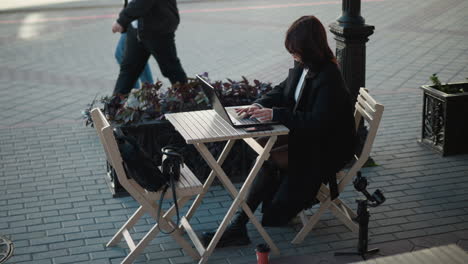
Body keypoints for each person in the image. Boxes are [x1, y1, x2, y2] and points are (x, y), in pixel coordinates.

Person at [202, 15, 358, 247]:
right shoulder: (305, 65)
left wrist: (276, 115)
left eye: (296, 50)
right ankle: (240, 223)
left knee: (268, 158)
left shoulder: (329, 77)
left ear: (309, 48)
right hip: (311, 138)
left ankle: (238, 225)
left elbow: (318, 121)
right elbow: (282, 89)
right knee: (265, 149)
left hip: (328, 148)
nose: (293, 55)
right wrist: (259, 105)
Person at [112, 0, 187, 95]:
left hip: (158, 29)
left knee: (171, 68)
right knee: (128, 71)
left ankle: (188, 99)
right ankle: (114, 105)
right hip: (136, 29)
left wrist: (122, 20)